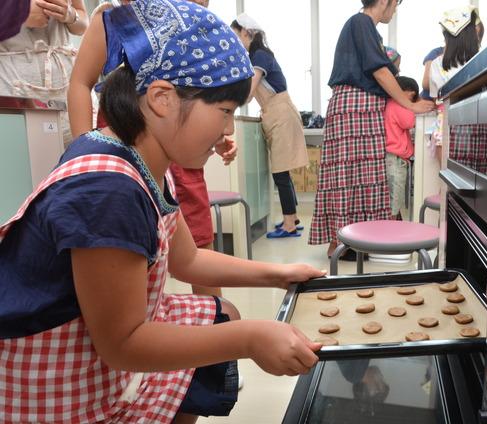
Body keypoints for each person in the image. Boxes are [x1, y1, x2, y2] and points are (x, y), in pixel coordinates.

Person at [0, 2, 323, 423]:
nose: (228, 131)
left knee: (220, 315)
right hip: (50, 375)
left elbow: (186, 260)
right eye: (224, 111)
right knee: (228, 328)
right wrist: (249, 339)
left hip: (93, 334)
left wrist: (278, 275)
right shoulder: (108, 188)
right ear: (162, 99)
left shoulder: (140, 154)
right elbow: (122, 345)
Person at [68, 0, 226, 301]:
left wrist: (215, 136)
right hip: (127, 145)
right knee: (128, 249)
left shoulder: (194, 21)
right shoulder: (113, 18)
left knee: (199, 240)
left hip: (181, 150)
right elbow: (80, 82)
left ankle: (217, 330)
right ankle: (136, 329)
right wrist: (86, 150)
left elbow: (202, 96)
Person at [308, 0, 433, 260]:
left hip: (359, 107)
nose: (394, 10)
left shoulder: (366, 27)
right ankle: (339, 242)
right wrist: (411, 106)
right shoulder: (361, 22)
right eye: (395, 4)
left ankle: (354, 240)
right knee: (348, 177)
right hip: (356, 106)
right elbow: (380, 72)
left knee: (358, 177)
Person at [230, 13, 309, 238]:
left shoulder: (259, 56)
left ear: (249, 33)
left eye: (237, 36)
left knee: (280, 173)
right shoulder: (257, 55)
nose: (236, 41)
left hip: (280, 113)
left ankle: (289, 225)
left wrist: (226, 102)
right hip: (277, 113)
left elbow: (249, 91)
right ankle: (292, 217)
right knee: (282, 171)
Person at [0, 0, 88, 145]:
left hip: (65, 89)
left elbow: (82, 23)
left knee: (77, 155)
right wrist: (18, 14)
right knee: (24, 157)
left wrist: (69, 15)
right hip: (13, 87)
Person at [428, 5, 481, 158]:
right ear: (471, 34)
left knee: (448, 178)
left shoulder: (437, 64)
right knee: (477, 179)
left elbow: (436, 100)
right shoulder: (480, 60)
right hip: (477, 123)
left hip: (445, 126)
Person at [384, 75, 419, 220]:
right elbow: (410, 121)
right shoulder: (396, 104)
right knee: (395, 198)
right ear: (408, 92)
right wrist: (415, 107)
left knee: (394, 195)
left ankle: (395, 222)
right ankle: (391, 231)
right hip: (396, 159)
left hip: (393, 158)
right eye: (412, 97)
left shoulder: (389, 104)